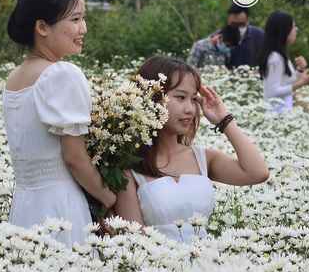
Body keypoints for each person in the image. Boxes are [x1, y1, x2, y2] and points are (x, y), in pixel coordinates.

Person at [0, 0, 116, 247]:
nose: (83, 28)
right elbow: (74, 158)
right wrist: (108, 197)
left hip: (24, 206)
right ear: (42, 26)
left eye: (83, 18)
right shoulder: (61, 74)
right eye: (74, 19)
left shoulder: (15, 77)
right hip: (61, 207)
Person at [114, 56, 270, 243]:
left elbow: (258, 173)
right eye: (180, 97)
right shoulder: (129, 166)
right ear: (151, 97)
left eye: (193, 99)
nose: (190, 109)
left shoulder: (203, 158)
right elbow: (135, 242)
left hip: (205, 259)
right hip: (156, 260)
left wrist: (224, 120)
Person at [258, 11, 309, 114]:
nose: (295, 32)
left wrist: (300, 70)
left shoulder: (281, 55)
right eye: (293, 28)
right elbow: (273, 92)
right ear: (283, 31)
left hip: (283, 112)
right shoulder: (275, 58)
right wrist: (301, 83)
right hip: (276, 114)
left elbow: (286, 83)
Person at [227, 3, 264, 68]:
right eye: (233, 24)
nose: (237, 28)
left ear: (248, 20)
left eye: (241, 24)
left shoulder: (259, 35)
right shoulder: (219, 37)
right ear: (228, 20)